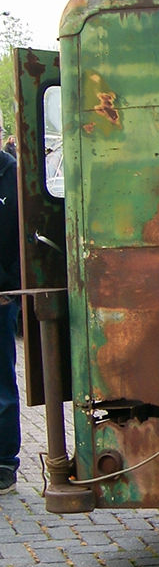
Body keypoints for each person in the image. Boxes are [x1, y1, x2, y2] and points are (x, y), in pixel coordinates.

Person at [0, 122, 20, 495]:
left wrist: (11, 288)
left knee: (1, 381)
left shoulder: (11, 176)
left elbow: (24, 236)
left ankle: (4, 462)